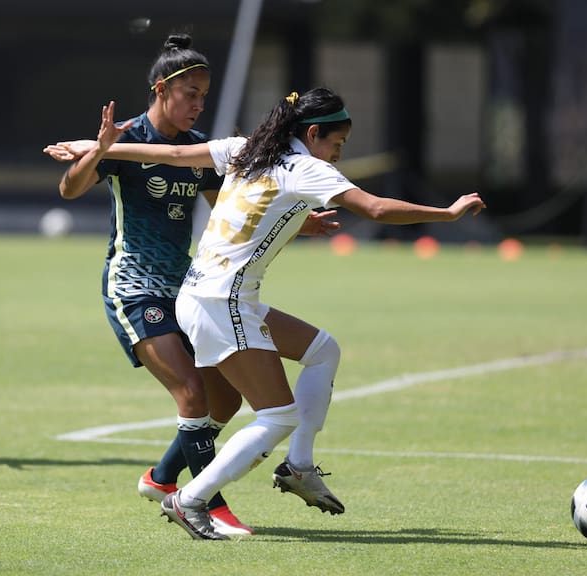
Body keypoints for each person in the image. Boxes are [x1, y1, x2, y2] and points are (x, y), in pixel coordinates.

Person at [67, 89, 487, 539]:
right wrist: (448, 213)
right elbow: (376, 208)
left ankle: (299, 467)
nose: (338, 154)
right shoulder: (308, 168)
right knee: (278, 416)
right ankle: (189, 500)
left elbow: (172, 153)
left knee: (323, 350)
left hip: (206, 295)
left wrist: (103, 146)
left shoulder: (244, 149)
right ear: (312, 134)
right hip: (221, 301)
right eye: (337, 144)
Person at [47, 33, 256, 536]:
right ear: (161, 89)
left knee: (225, 397)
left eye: (204, 95)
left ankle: (163, 477)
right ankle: (204, 503)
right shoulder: (126, 138)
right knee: (190, 391)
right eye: (191, 94)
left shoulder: (195, 148)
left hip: (183, 288)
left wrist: (295, 220)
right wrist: (98, 151)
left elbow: (225, 206)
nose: (198, 104)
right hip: (133, 284)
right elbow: (68, 189)